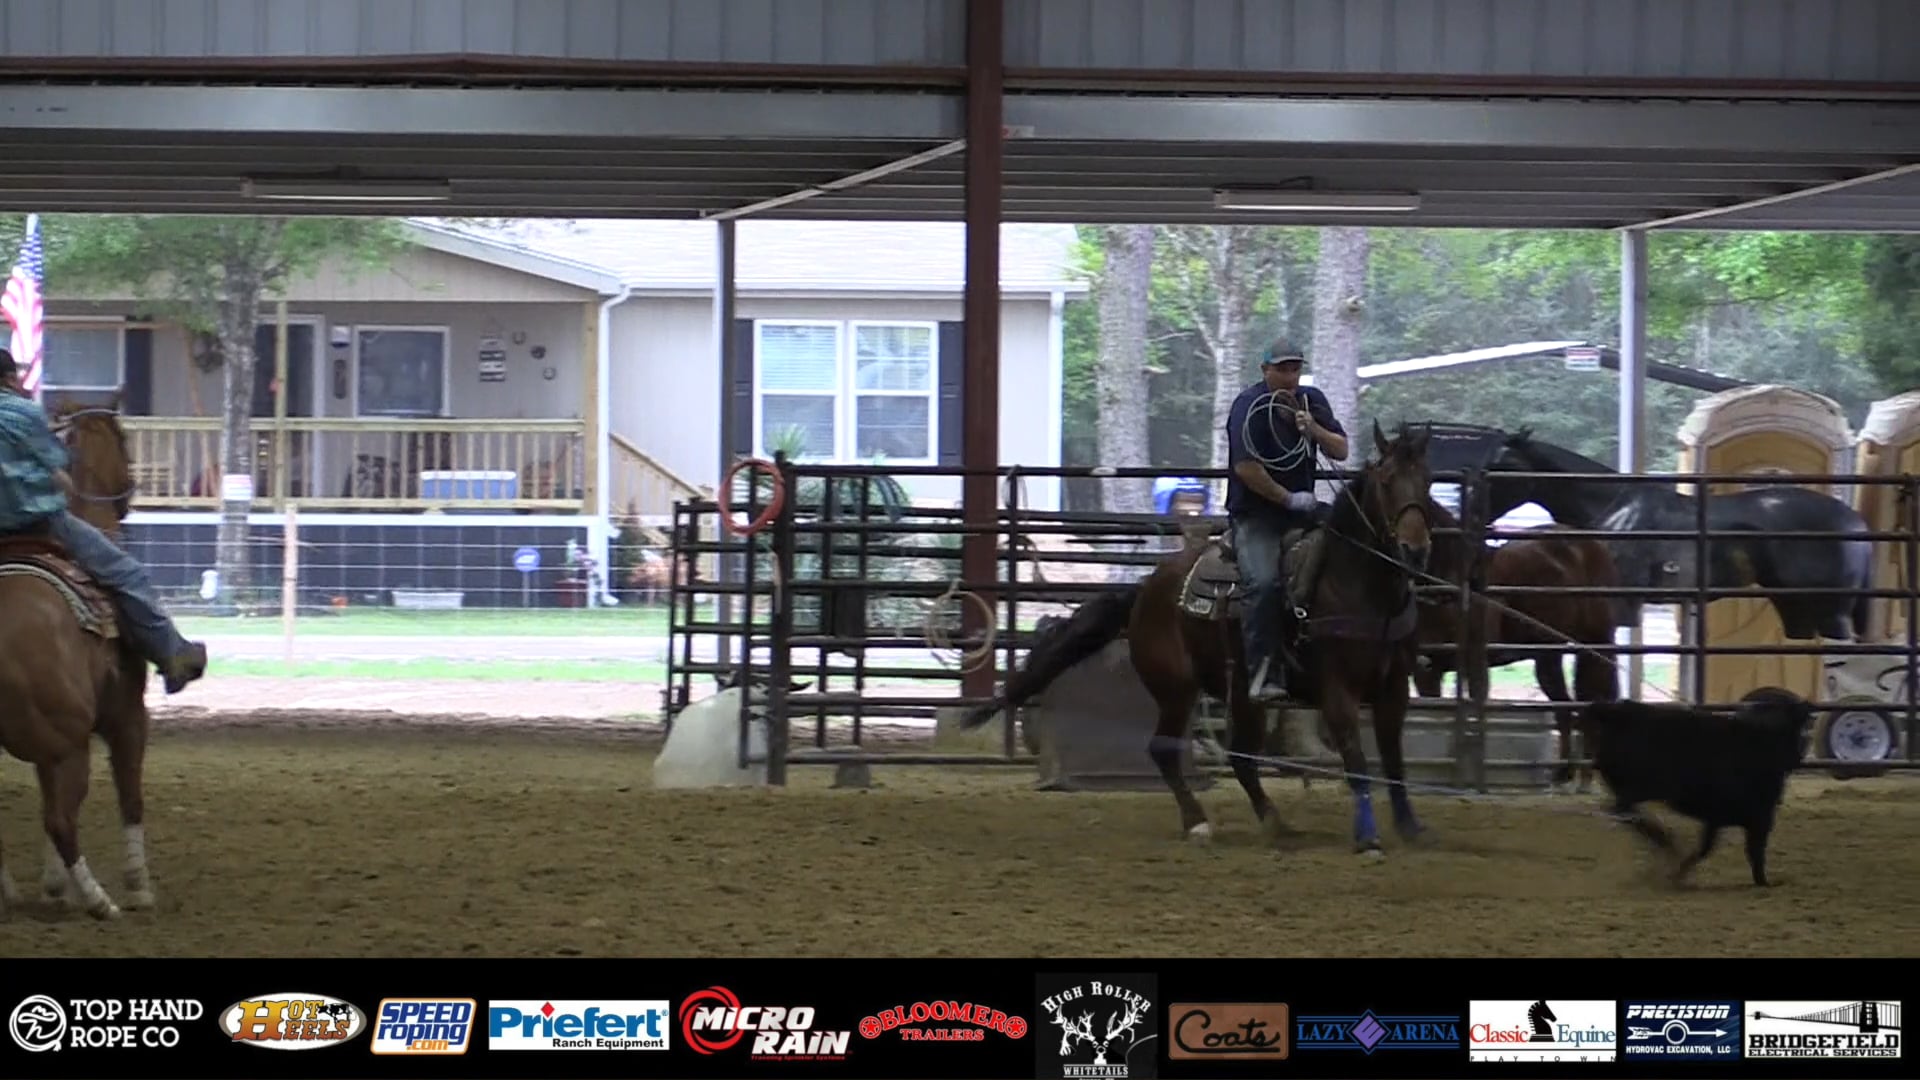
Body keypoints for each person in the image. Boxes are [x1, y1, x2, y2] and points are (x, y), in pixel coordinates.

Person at [0, 347, 208, 693]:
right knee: (126, 573)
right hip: (38, 524)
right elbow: (58, 465)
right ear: (10, 378)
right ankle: (173, 656)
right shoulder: (23, 412)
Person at [1223, 339, 1349, 702]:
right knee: (1263, 583)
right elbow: (1246, 468)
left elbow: (1340, 449)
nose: (1290, 376)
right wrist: (1288, 498)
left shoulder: (1312, 400)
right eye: (1282, 369)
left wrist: (1314, 430)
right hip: (1257, 514)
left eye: (1295, 369)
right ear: (1265, 370)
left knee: (1353, 550)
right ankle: (1262, 670)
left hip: (1304, 512)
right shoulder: (1248, 406)